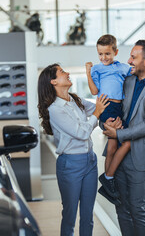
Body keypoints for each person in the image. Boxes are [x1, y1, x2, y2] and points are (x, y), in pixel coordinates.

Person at [103, 39, 145, 236]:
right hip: (117, 152)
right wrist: (107, 125)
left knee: (137, 209)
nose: (129, 60)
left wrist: (119, 134)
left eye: (134, 57)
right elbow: (112, 106)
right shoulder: (126, 80)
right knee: (121, 208)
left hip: (140, 156)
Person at [37, 63, 112, 236]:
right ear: (53, 82)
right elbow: (82, 132)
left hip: (90, 161)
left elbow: (99, 109)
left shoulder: (75, 99)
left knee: (88, 215)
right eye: (62, 72)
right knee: (70, 215)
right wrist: (97, 114)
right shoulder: (55, 109)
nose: (68, 73)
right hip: (70, 165)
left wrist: (107, 118)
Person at [85, 34, 145, 205]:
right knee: (123, 143)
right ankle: (108, 178)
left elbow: (139, 71)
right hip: (107, 107)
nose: (104, 58)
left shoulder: (122, 68)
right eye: (100, 54)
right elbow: (94, 91)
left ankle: (108, 179)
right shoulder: (97, 69)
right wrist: (88, 73)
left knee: (114, 145)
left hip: (118, 108)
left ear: (116, 52)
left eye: (107, 54)